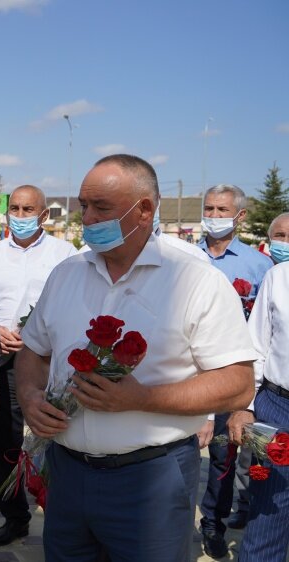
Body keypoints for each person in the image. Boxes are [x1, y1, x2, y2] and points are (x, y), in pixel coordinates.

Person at [17, 154, 256, 561]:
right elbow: (33, 352)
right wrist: (29, 397)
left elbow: (237, 384)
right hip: (68, 473)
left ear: (144, 210)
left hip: (151, 480)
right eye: (84, 205)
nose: (87, 218)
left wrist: (142, 399)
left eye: (101, 207)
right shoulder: (66, 274)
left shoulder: (196, 281)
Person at [0, 184, 77, 546]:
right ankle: (14, 515)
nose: (19, 216)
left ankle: (60, 514)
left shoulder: (66, 254)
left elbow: (75, 305)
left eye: (27, 209)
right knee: (5, 440)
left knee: (56, 437)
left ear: (44, 214)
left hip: (49, 360)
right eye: (14, 209)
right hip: (1, 362)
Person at [195, 183, 274, 558]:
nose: (212, 216)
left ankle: (231, 518)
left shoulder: (260, 266)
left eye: (221, 210)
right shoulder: (186, 259)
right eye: (208, 208)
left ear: (240, 216)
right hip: (192, 376)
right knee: (201, 455)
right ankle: (198, 522)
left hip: (240, 377)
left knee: (241, 457)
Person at [228, 254, 289, 561]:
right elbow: (256, 346)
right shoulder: (279, 277)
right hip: (279, 410)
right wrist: (245, 406)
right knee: (267, 517)